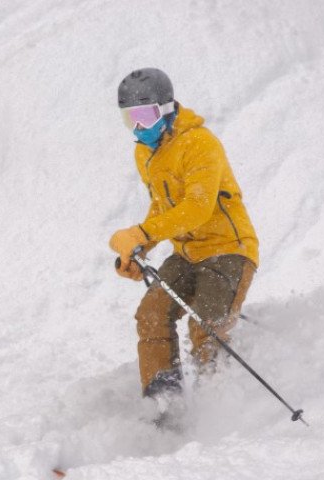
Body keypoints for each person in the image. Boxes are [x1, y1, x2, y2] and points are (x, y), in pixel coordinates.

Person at [109, 68, 259, 399]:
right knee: (151, 314)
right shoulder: (145, 153)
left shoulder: (199, 143)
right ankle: (164, 400)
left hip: (229, 249)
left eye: (145, 117)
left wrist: (141, 232)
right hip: (186, 254)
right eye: (129, 118)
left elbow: (197, 208)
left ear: (165, 108)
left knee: (205, 324)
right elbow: (163, 207)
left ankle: (219, 403)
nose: (138, 128)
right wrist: (140, 247)